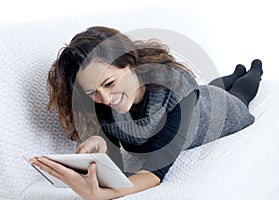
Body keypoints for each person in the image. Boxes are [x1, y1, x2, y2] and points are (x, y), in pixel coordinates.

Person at [30, 26, 263, 200]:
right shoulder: (103, 105)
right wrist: (99, 143)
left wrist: (100, 196)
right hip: (202, 93)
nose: (106, 99)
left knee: (239, 93)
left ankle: (254, 68)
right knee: (216, 84)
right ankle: (235, 72)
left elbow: (155, 171)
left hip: (218, 109)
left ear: (131, 65)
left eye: (110, 83)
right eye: (93, 92)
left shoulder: (177, 90)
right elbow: (117, 166)